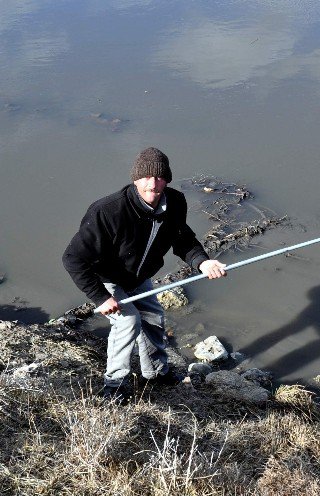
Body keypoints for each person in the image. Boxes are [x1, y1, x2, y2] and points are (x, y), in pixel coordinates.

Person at [62, 147, 227, 400]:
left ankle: (157, 373)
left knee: (153, 318)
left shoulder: (175, 202)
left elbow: (183, 240)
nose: (153, 183)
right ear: (135, 178)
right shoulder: (107, 211)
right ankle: (114, 385)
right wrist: (100, 297)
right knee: (128, 321)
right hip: (107, 279)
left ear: (167, 179)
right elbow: (73, 258)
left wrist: (203, 262)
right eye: (146, 177)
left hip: (138, 278)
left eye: (160, 177)